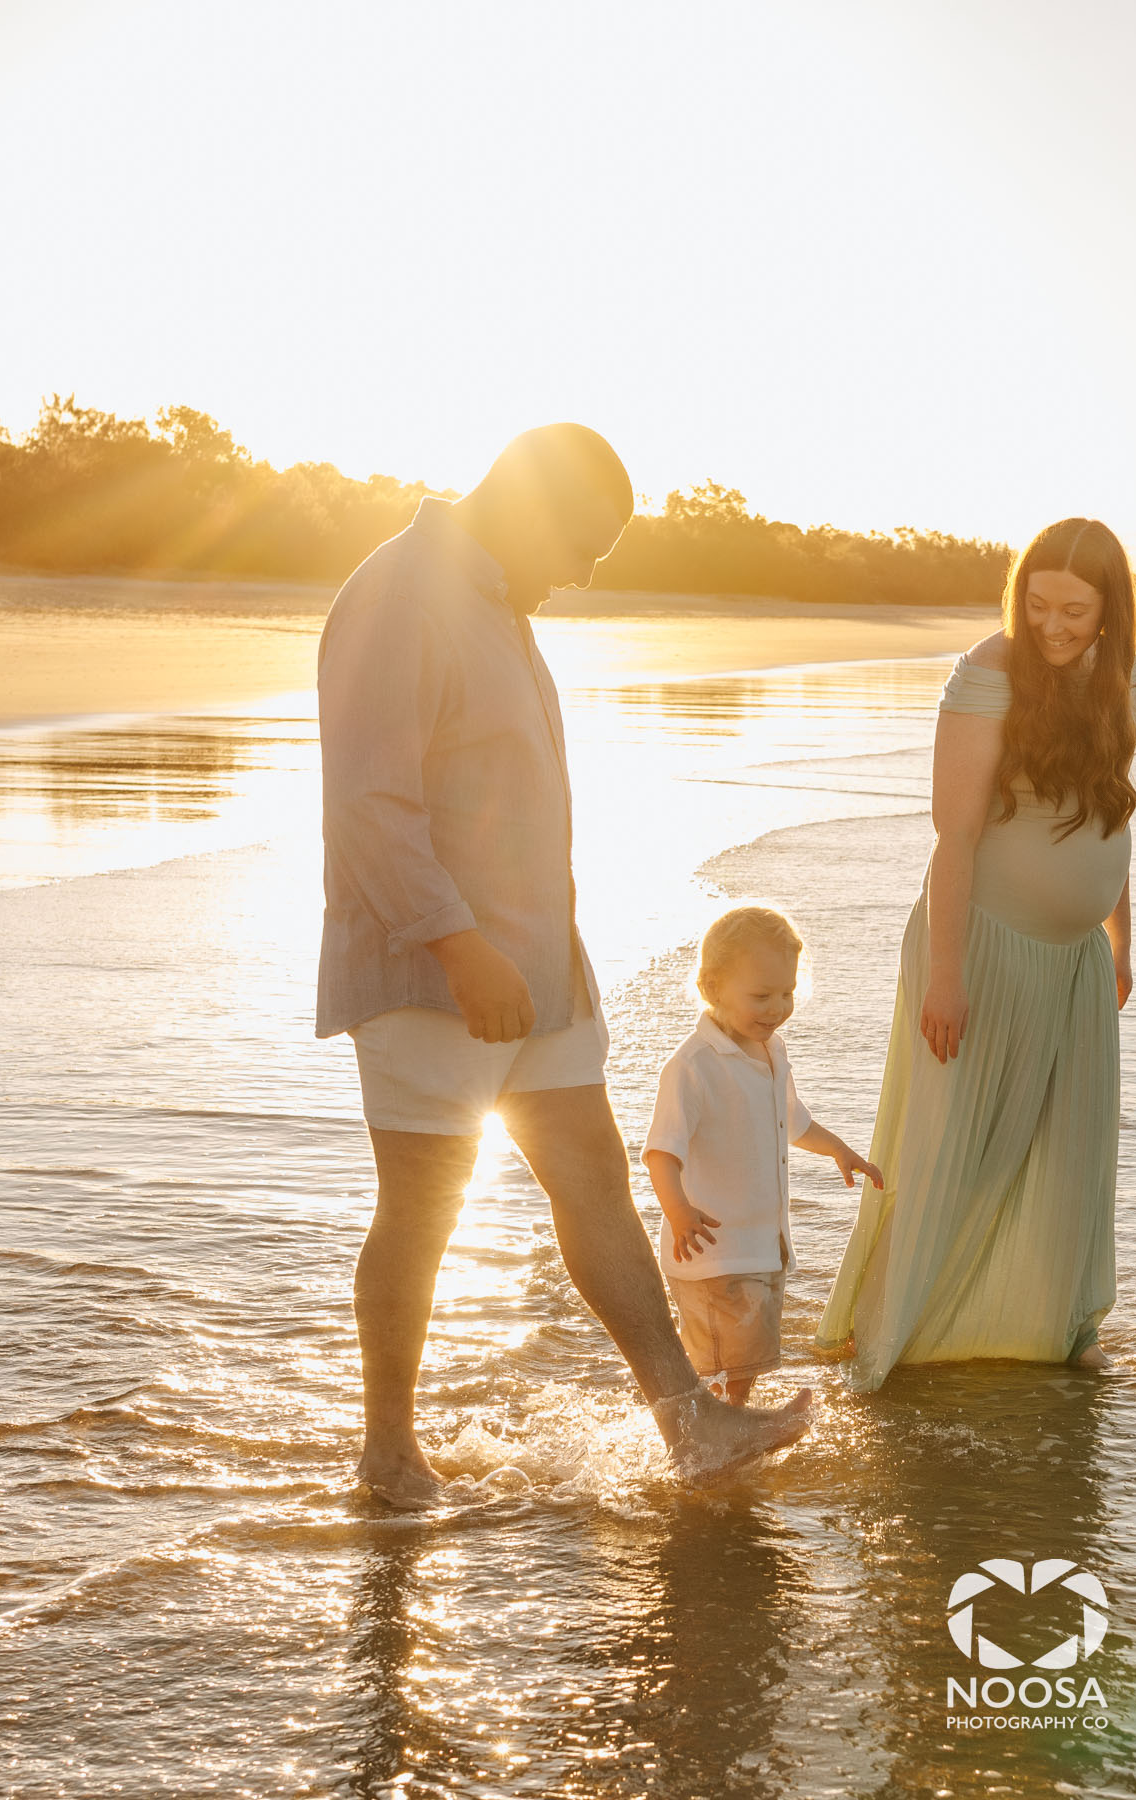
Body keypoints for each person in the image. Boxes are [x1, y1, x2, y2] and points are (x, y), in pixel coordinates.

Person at [316, 424, 813, 1506]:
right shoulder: (401, 595)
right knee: (422, 1208)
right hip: (431, 976)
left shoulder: (498, 603)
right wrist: (458, 945)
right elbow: (367, 801)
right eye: (584, 543)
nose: (585, 571)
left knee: (595, 1183)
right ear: (528, 503)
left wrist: (553, 958)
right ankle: (388, 1453)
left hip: (537, 968)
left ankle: (689, 1422)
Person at [814, 518, 1136, 1391]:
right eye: (1037, 604)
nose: (1052, 626)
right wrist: (947, 977)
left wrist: (1120, 939)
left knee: (1071, 1159)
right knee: (950, 1151)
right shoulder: (988, 674)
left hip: (1076, 961)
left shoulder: (1117, 676)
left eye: (1074, 610)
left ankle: (1065, 1330)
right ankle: (887, 1337)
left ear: (1110, 610)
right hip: (982, 944)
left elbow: (1111, 809)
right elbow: (953, 838)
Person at [644, 906, 885, 1404]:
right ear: (712, 987)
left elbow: (793, 1121)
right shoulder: (693, 1065)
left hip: (762, 1245)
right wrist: (678, 1211)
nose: (776, 1008)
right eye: (761, 996)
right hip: (712, 1250)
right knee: (718, 1358)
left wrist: (839, 1150)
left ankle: (729, 1419)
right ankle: (713, 1424)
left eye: (787, 993)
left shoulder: (772, 1051)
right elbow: (661, 1152)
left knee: (748, 1357)